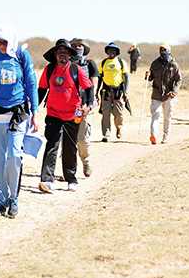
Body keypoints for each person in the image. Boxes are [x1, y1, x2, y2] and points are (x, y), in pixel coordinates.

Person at [0, 28, 38, 218]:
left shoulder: (21, 55)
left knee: (13, 155)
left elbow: (31, 83)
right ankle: (1, 201)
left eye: (3, 42)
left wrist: (34, 112)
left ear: (11, 41)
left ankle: (14, 199)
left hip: (18, 113)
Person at [38, 39, 94, 193]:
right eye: (59, 52)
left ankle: (71, 179)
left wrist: (88, 105)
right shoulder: (49, 70)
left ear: (70, 55)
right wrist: (32, 108)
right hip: (53, 113)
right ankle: (47, 180)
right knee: (52, 145)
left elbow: (89, 88)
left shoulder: (76, 70)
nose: (62, 55)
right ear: (55, 55)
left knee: (70, 147)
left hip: (72, 114)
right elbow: (41, 90)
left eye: (65, 52)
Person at [70, 38, 98, 177]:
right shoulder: (66, 64)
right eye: (74, 45)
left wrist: (89, 104)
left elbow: (93, 85)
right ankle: (69, 169)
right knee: (68, 139)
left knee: (83, 139)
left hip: (85, 106)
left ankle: (86, 162)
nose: (77, 47)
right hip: (68, 107)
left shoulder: (90, 64)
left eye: (80, 45)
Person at [146, 44, 182, 144]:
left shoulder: (174, 64)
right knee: (156, 115)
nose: (162, 51)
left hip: (169, 95)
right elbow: (150, 78)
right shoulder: (155, 63)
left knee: (167, 117)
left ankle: (165, 136)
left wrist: (174, 91)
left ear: (169, 51)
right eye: (161, 50)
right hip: (156, 94)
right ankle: (153, 136)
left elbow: (179, 79)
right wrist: (148, 75)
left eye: (165, 50)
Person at [97, 42, 129, 142]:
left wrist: (125, 92)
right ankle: (106, 134)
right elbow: (99, 78)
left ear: (116, 52)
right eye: (109, 50)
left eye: (113, 51)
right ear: (107, 52)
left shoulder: (121, 62)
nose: (111, 52)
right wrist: (97, 91)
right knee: (105, 114)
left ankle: (118, 128)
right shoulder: (103, 63)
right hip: (106, 91)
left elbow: (126, 77)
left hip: (118, 91)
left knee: (118, 114)